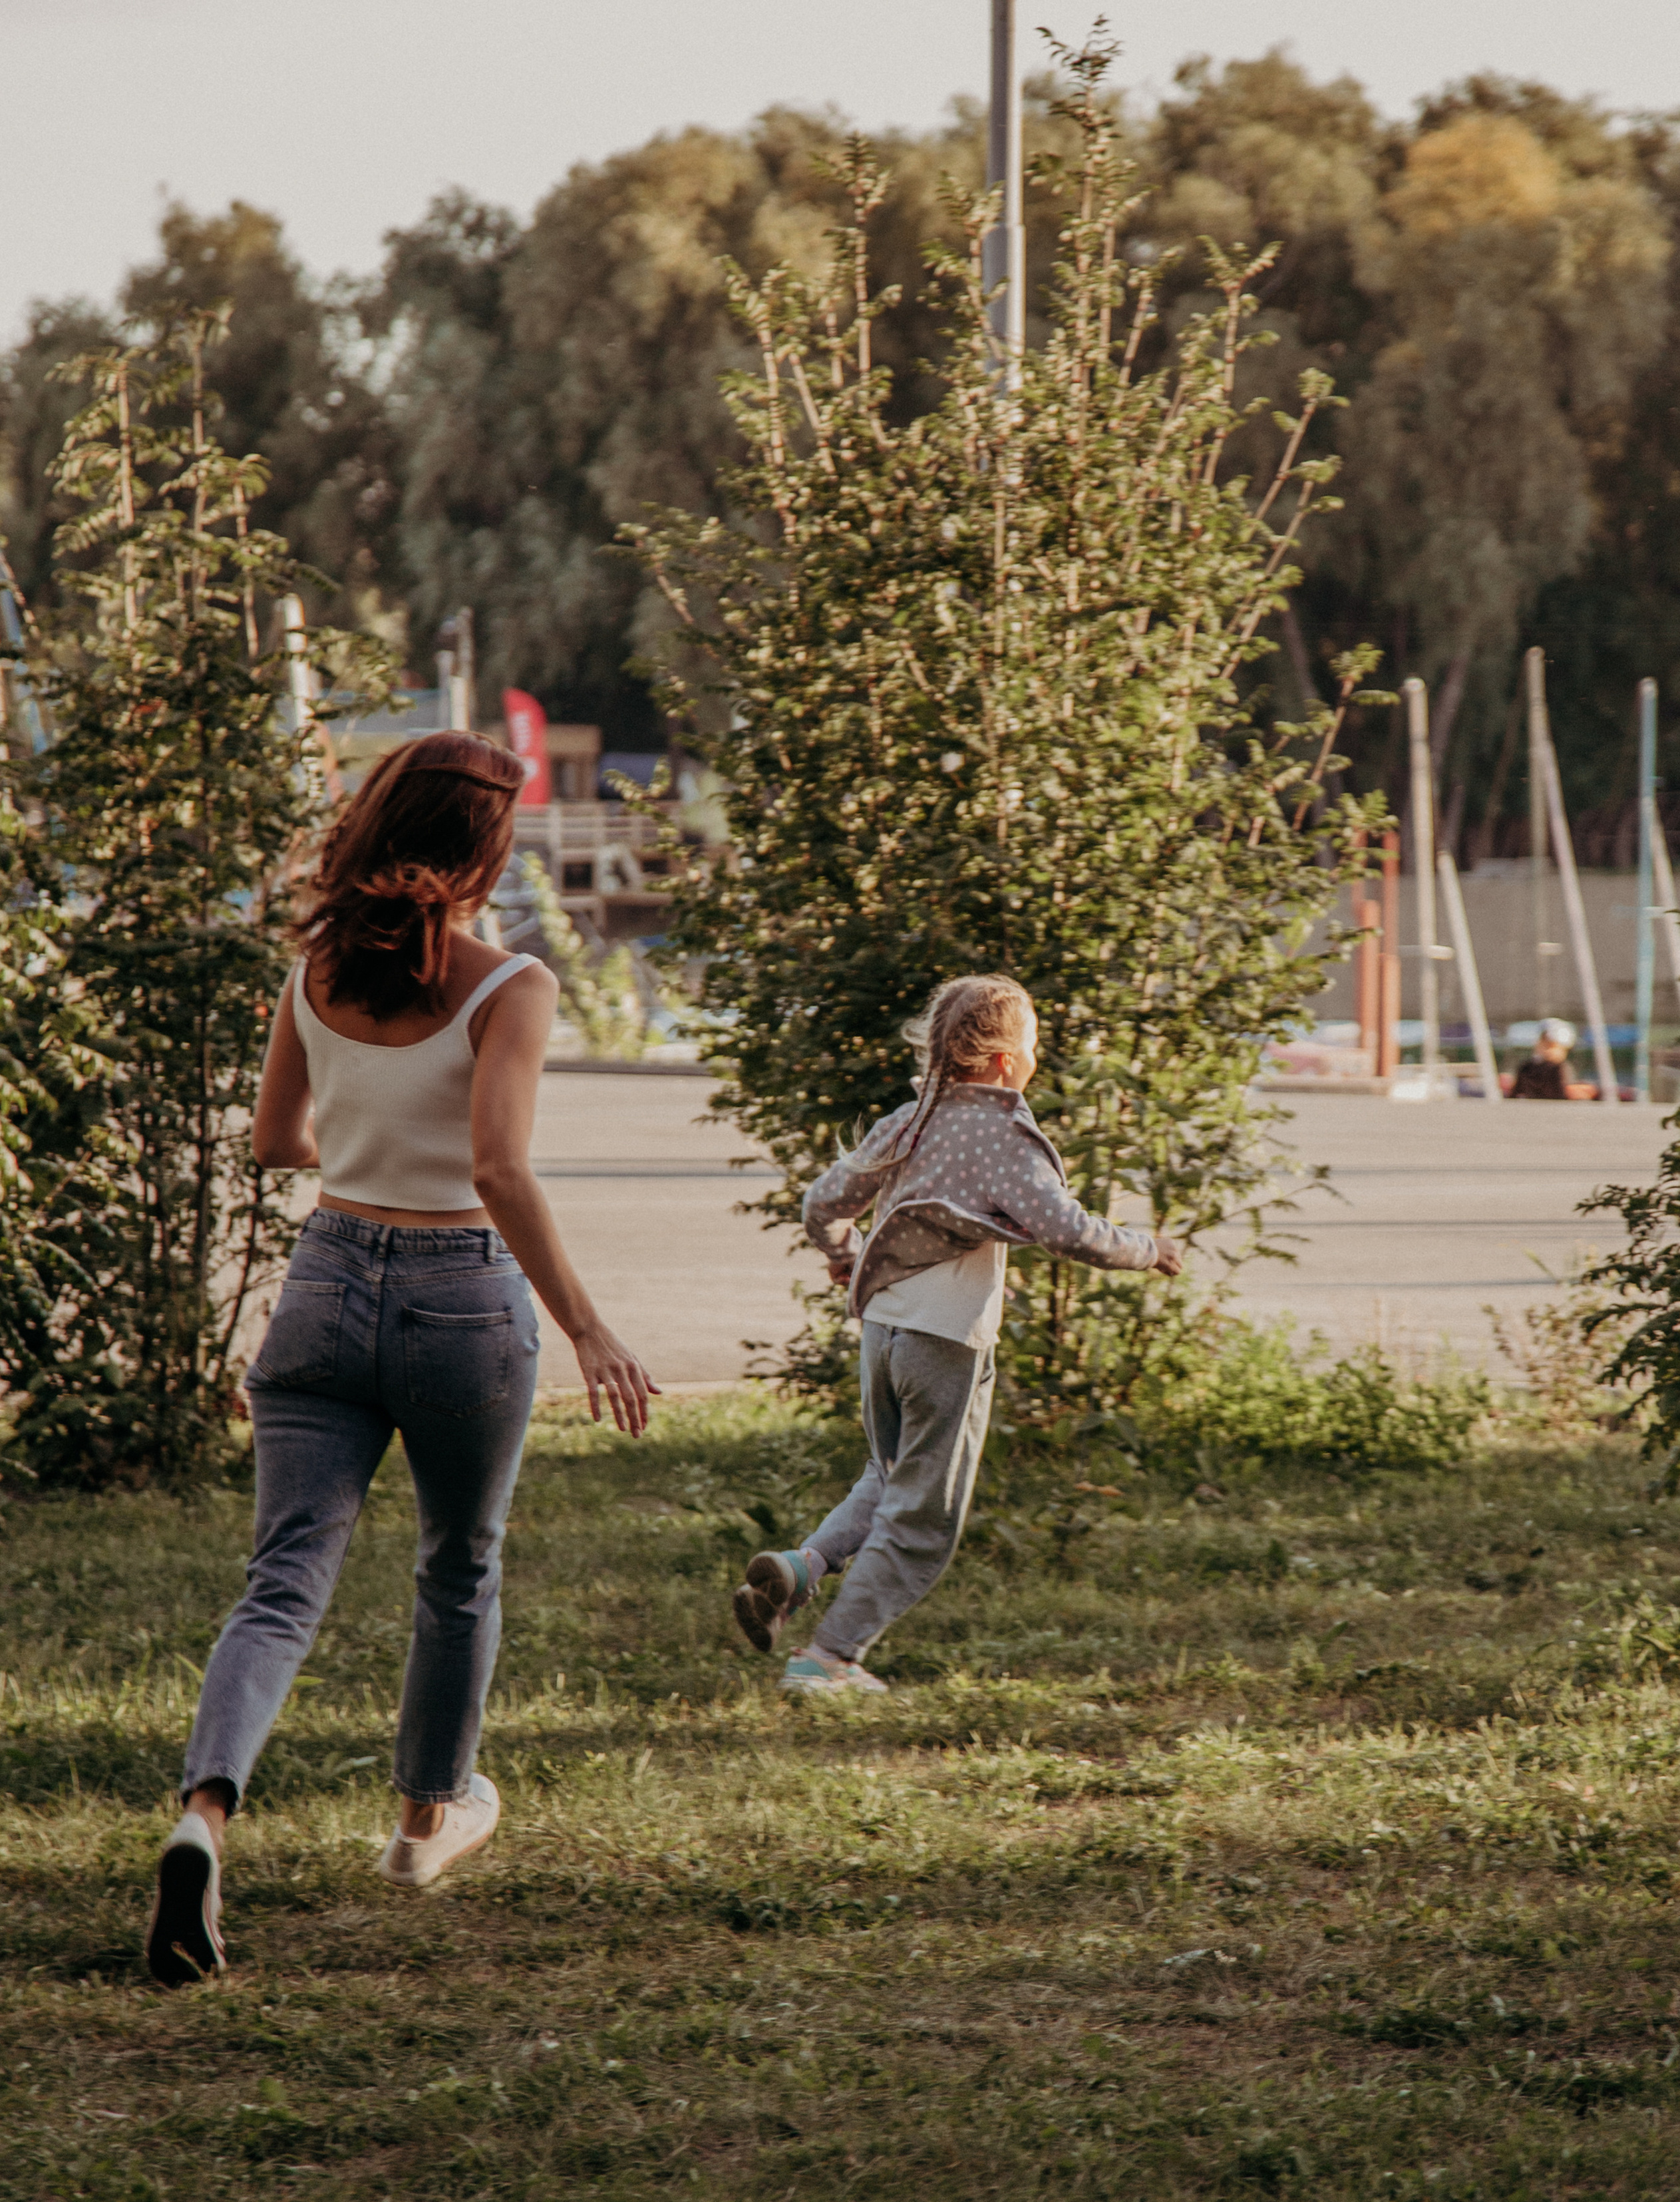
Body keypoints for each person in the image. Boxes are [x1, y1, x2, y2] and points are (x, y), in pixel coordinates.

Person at [144, 732, 656, 1988]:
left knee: (281, 1583)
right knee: (458, 1567)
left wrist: (367, 1148)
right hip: (459, 1298)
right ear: (485, 848)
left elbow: (276, 1141)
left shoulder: (317, 968)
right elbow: (497, 1169)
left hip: (323, 1283)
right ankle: (426, 1821)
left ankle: (203, 1817)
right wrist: (588, 1326)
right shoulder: (512, 985)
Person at [731, 974, 1184, 1690]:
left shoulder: (908, 1122)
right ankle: (829, 1659)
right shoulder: (1002, 1137)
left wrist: (846, 1255)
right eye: (1032, 1047)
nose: (1035, 1059)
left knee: (889, 1474)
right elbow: (1067, 1231)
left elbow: (821, 1204)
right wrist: (1148, 1248)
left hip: (881, 1330)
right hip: (945, 1341)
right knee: (922, 1515)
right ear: (1005, 1061)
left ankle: (801, 1568)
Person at [1506, 1017, 1596, 1100]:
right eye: (1544, 1044)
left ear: (1564, 1049)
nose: (1547, 1050)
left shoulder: (1561, 1069)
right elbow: (1515, 1094)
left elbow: (1563, 1095)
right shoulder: (1526, 1068)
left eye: (1552, 1046)